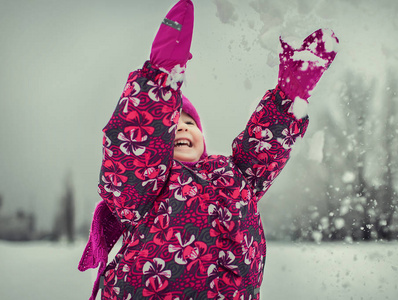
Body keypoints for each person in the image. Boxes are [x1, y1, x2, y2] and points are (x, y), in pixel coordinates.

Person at [78, 0, 339, 299]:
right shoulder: (143, 190)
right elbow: (132, 149)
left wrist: (288, 100)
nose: (182, 127)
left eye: (190, 122)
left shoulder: (234, 176)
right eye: (172, 122)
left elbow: (263, 148)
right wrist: (159, 81)